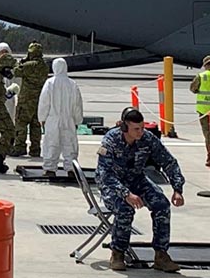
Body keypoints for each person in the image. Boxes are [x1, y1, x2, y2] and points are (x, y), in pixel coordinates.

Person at [96, 108, 184, 273]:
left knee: (162, 205)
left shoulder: (147, 139)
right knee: (125, 209)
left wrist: (177, 188)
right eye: (136, 129)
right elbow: (105, 175)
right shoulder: (111, 140)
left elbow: (169, 162)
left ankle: (161, 255)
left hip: (137, 180)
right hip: (112, 185)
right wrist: (126, 194)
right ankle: (118, 253)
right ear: (124, 127)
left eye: (142, 127)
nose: (140, 132)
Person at [37, 58, 83, 176]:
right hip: (69, 119)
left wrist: (42, 118)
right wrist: (77, 120)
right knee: (70, 144)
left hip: (53, 119)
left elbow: (44, 103)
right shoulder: (72, 84)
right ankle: (71, 168)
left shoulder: (50, 83)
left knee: (51, 143)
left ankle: (50, 169)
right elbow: (77, 105)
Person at [10, 43, 49, 157]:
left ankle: (20, 147)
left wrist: (21, 62)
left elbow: (15, 71)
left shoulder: (28, 65)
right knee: (36, 126)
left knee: (21, 124)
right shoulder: (45, 66)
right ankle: (35, 149)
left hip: (26, 100)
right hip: (39, 101)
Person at [188, 55, 210, 167]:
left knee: (208, 134)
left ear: (205, 65)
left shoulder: (201, 76)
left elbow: (193, 88)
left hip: (204, 110)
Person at [0, 43, 18, 123]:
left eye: (6, 51)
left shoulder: (14, 67)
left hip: (9, 100)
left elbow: (18, 84)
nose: (4, 54)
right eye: (2, 52)